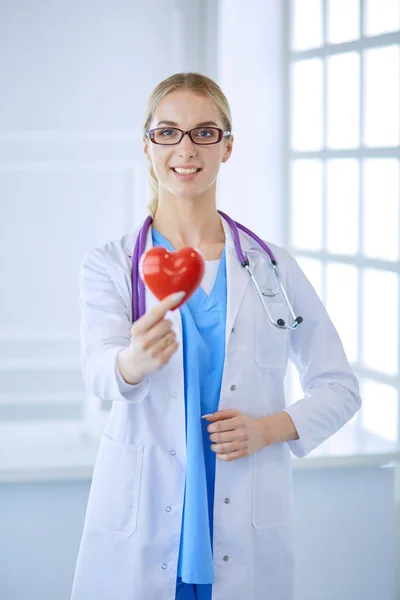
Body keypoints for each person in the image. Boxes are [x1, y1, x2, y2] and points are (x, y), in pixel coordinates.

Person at [70, 72, 361, 600]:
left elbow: (340, 387)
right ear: (147, 145)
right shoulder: (112, 265)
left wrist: (270, 428)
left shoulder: (272, 267)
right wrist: (132, 361)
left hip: (242, 519)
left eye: (204, 132)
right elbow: (98, 368)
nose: (186, 147)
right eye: (168, 132)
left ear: (227, 146)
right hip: (145, 522)